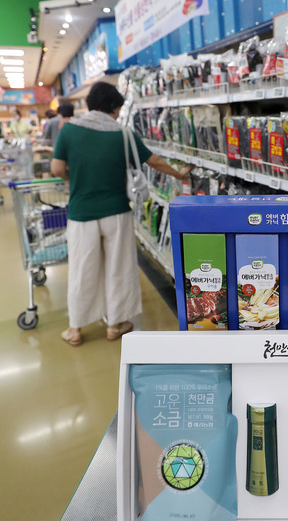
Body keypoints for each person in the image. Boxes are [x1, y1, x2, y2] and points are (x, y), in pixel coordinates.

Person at [51, 81, 192, 347]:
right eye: (117, 110)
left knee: (82, 269)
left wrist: (77, 178)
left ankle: (76, 328)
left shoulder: (68, 130)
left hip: (82, 214)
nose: (118, 115)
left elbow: (57, 167)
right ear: (114, 108)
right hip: (116, 212)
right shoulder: (124, 134)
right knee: (119, 268)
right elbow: (155, 162)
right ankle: (115, 325)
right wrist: (179, 173)